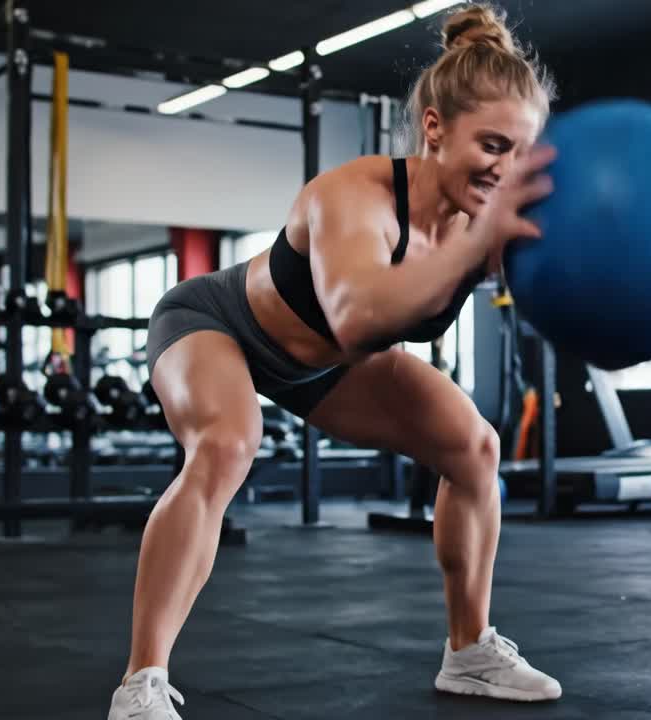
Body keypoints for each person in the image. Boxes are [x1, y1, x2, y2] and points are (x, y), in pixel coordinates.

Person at [107, 5, 562, 718]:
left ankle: (470, 652)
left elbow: (565, 286)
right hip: (216, 324)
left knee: (475, 447)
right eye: (491, 144)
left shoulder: (486, 221)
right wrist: (474, 250)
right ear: (436, 128)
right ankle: (141, 683)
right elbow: (358, 315)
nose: (503, 169)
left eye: (520, 153)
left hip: (326, 366)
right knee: (228, 445)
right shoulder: (357, 196)